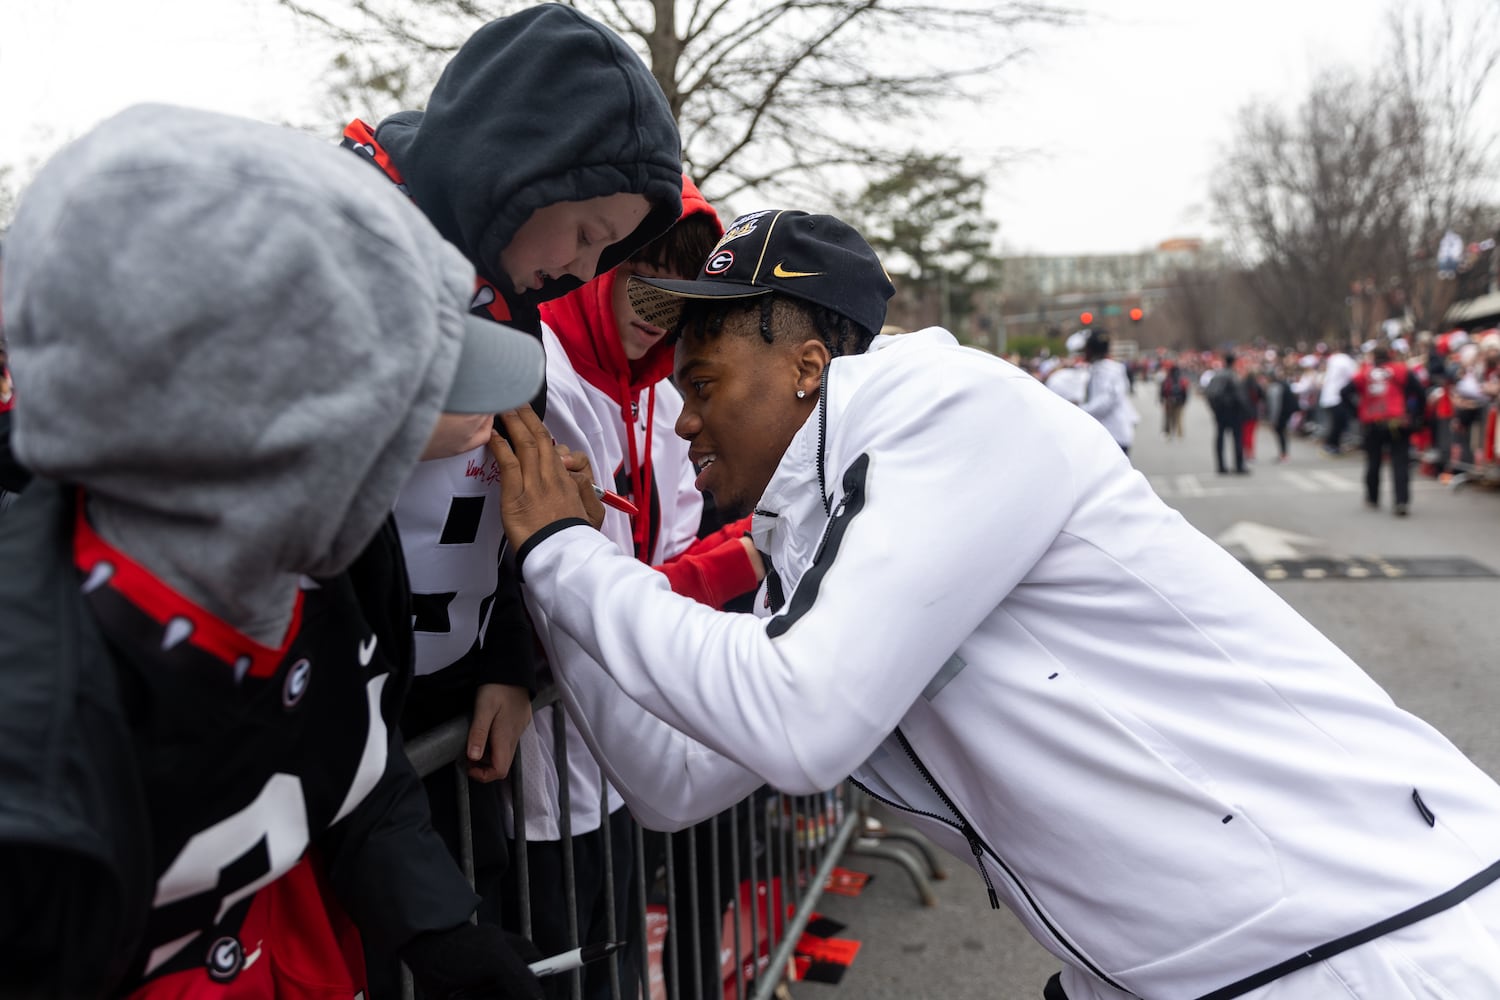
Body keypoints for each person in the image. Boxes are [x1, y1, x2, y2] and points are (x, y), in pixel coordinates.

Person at [489, 208, 1500, 1000]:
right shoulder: (814, 547)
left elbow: (800, 723)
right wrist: (556, 571)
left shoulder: (948, 403)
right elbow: (667, 780)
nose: (684, 422)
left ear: (809, 367)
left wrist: (577, 559)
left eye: (702, 382)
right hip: (1208, 968)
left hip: (1378, 940)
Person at [0, 104, 548, 1000]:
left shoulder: (294, 578)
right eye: (399, 400)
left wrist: (444, 932)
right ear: (286, 431)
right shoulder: (36, 747)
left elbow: (351, 767)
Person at [337, 4, 684, 976]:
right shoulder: (343, 235)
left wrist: (508, 661)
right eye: (582, 228)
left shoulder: (508, 299)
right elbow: (219, 448)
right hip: (337, 736)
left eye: (604, 246)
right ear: (518, 163)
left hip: (447, 742)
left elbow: (504, 502)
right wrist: (390, 429)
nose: (582, 265)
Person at [517, 175, 762, 999]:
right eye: (641, 278)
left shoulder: (650, 389)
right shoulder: (537, 369)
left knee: (620, 960)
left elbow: (664, 553)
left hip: (626, 753)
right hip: (538, 775)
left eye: (676, 293)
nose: (656, 309)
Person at [1347, 340, 1423, 516]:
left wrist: (1356, 412)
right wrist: (1417, 415)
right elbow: (1419, 392)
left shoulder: (1363, 374)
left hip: (1372, 422)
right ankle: (1401, 501)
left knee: (1373, 462)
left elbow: (1345, 392)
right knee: (1400, 463)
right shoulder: (1402, 370)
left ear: (1373, 357)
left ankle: (1373, 497)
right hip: (1397, 421)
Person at [1077, 328, 1136, 454]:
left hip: (1112, 435)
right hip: (1112, 434)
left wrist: (1080, 410)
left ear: (1090, 349)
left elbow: (1105, 402)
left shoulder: (1105, 371)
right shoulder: (1107, 368)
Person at [1205, 352, 1249, 474]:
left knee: (1220, 439)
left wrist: (1214, 410)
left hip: (1220, 412)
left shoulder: (1216, 375)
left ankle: (1221, 466)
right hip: (1234, 412)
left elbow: (1208, 393)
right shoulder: (1233, 376)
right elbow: (1240, 396)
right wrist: (1245, 410)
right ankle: (1239, 466)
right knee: (1237, 439)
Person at [1319, 341, 1358, 454]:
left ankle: (1333, 443)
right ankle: (1332, 444)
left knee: (1337, 422)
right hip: (1338, 396)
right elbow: (1353, 375)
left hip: (1330, 396)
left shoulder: (1334, 359)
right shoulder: (1345, 360)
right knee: (1339, 422)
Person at [1158, 361, 1188, 440]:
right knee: (1179, 418)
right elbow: (1185, 391)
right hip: (1180, 401)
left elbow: (1163, 391)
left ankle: (1168, 432)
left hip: (1169, 400)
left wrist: (1161, 399)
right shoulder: (1182, 380)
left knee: (1168, 417)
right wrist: (1184, 401)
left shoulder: (1167, 380)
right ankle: (1179, 434)